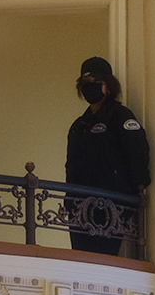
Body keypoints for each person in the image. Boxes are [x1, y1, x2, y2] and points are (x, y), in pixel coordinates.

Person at [63, 57, 150, 255]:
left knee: (105, 262)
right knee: (82, 262)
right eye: (85, 83)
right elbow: (71, 167)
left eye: (96, 82)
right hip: (79, 210)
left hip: (112, 209)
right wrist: (70, 203)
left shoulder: (121, 117)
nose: (90, 87)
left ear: (108, 86)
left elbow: (137, 155)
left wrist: (137, 188)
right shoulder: (79, 126)